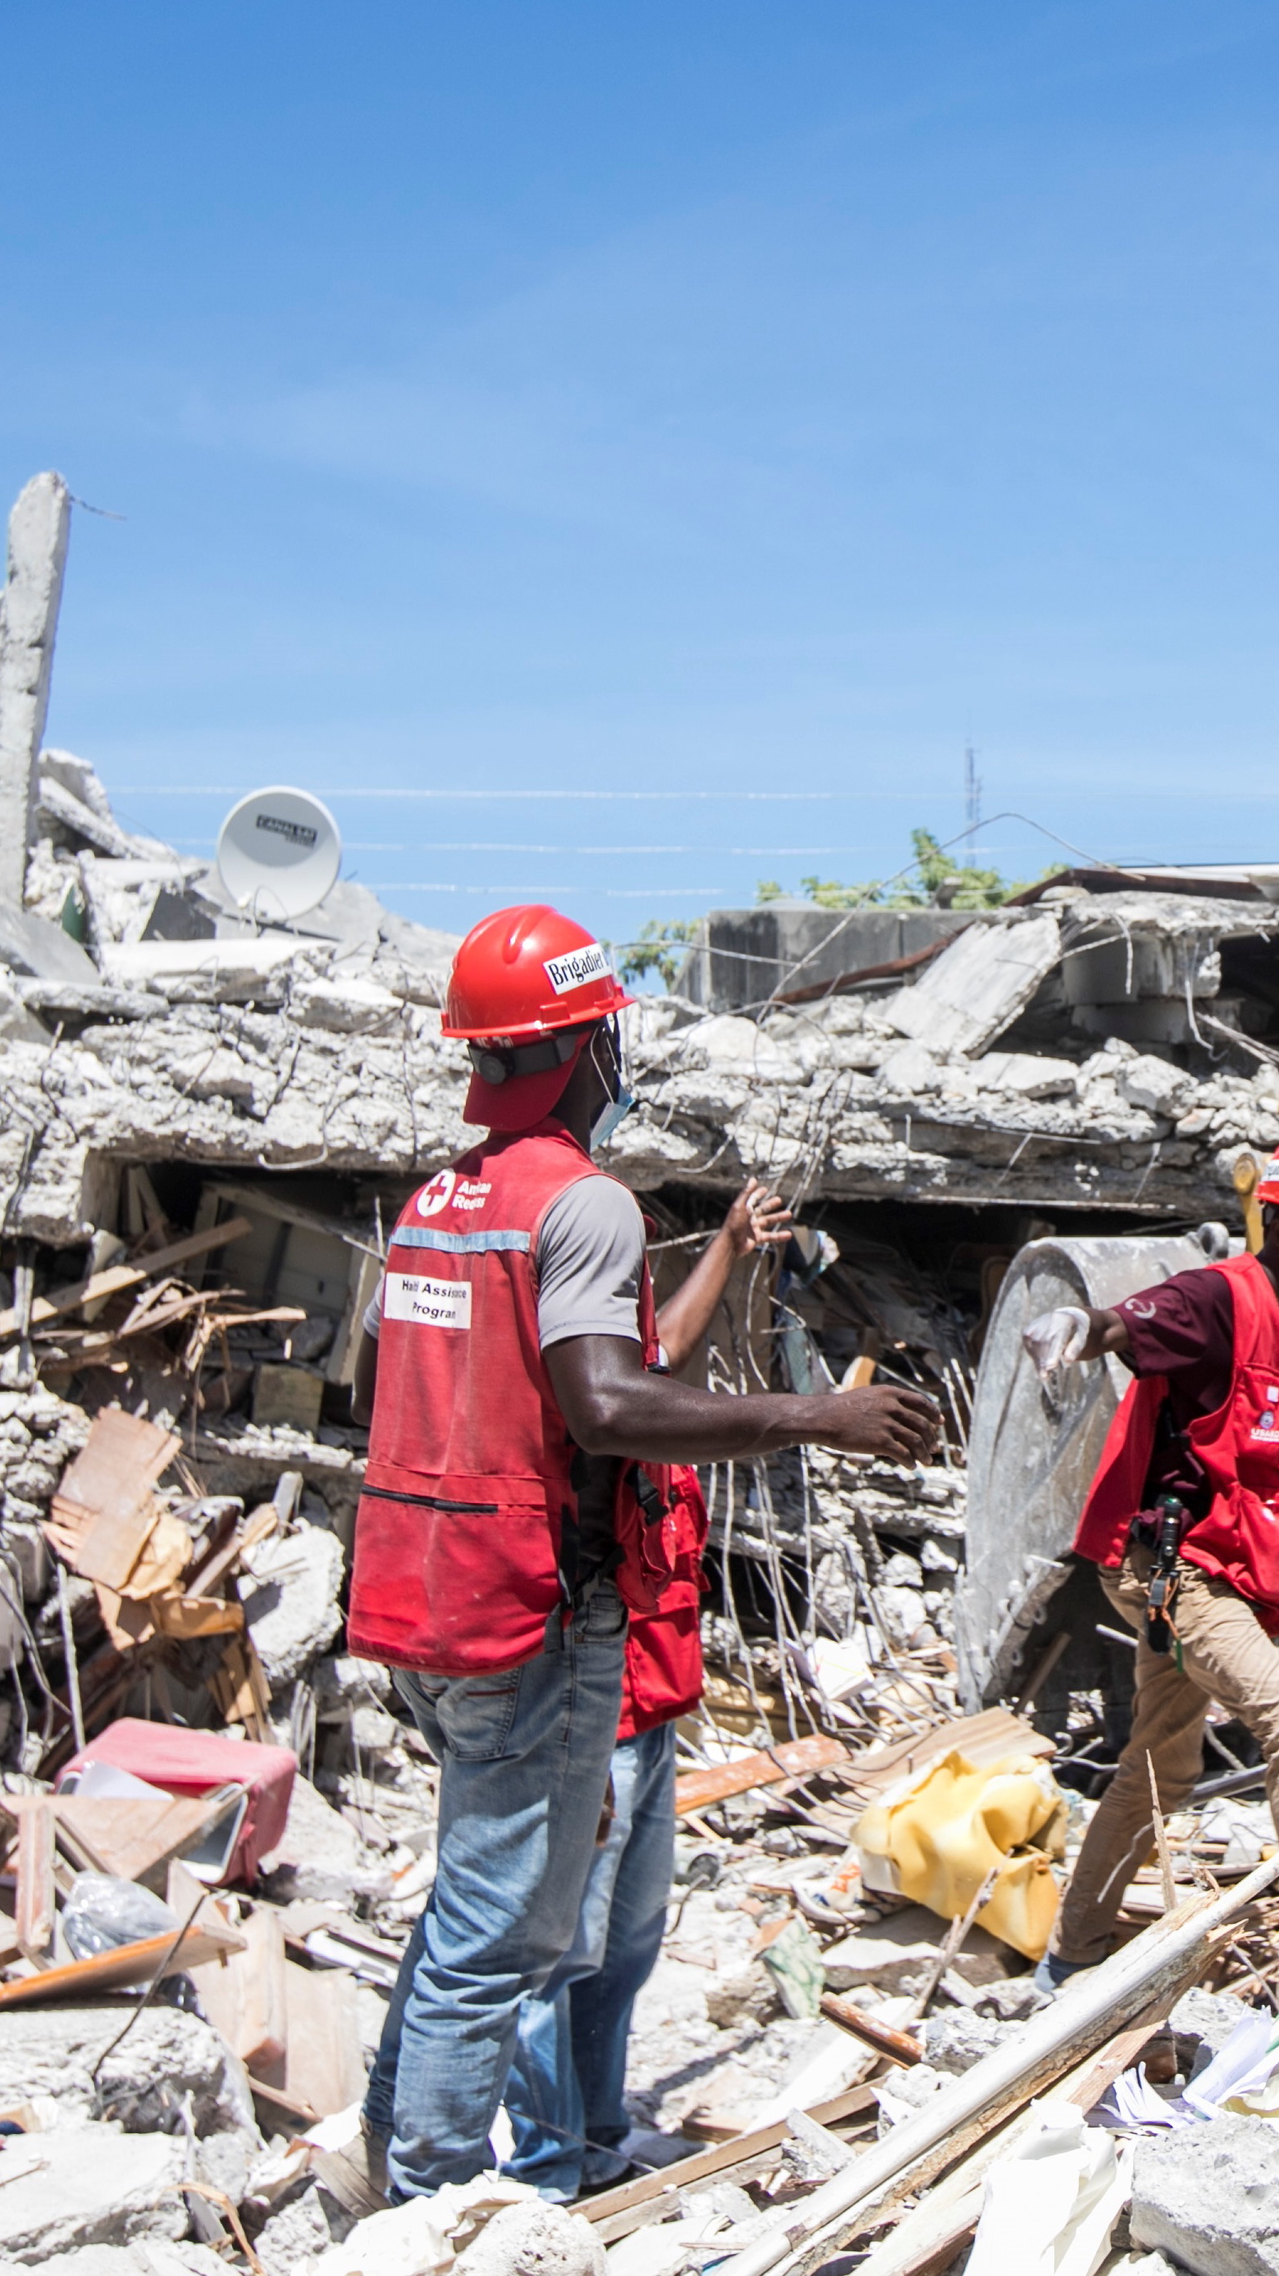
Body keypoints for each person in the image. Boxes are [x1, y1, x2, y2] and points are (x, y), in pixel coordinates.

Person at [351, 909, 938, 2200]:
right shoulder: (583, 1205)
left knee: (467, 1903)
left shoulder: (440, 1206)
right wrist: (819, 1415)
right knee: (505, 1928)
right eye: (606, 1033)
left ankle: (390, 2135)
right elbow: (606, 1405)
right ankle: (432, 2205)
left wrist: (727, 1253)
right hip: (526, 1614)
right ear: (578, 1048)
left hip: (420, 1598)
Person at [1018, 1131, 1279, 2024]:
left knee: (1161, 1762)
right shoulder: (1217, 1298)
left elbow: (1271, 1467)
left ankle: (1073, 1952)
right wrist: (1077, 1329)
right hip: (1175, 1572)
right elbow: (1130, 1323)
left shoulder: (1277, 1323)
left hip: (1204, 1567)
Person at [500, 1174, 794, 2197]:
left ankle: (597, 2128)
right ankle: (542, 2162)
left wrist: (730, 1244)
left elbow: (668, 1338)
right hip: (594, 1708)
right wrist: (815, 1414)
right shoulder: (599, 1407)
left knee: (625, 1947)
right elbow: (640, 1377)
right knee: (558, 1951)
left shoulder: (640, 1379)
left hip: (654, 1706)